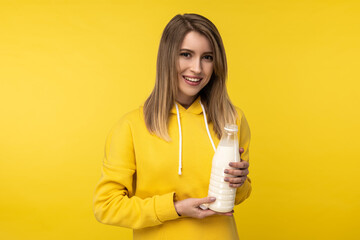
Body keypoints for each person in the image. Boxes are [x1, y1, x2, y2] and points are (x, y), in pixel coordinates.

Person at [93, 13, 251, 240]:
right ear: (167, 57)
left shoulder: (232, 120)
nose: (197, 68)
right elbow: (106, 206)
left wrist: (241, 183)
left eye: (207, 57)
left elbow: (238, 196)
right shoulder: (131, 126)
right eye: (186, 55)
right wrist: (175, 209)